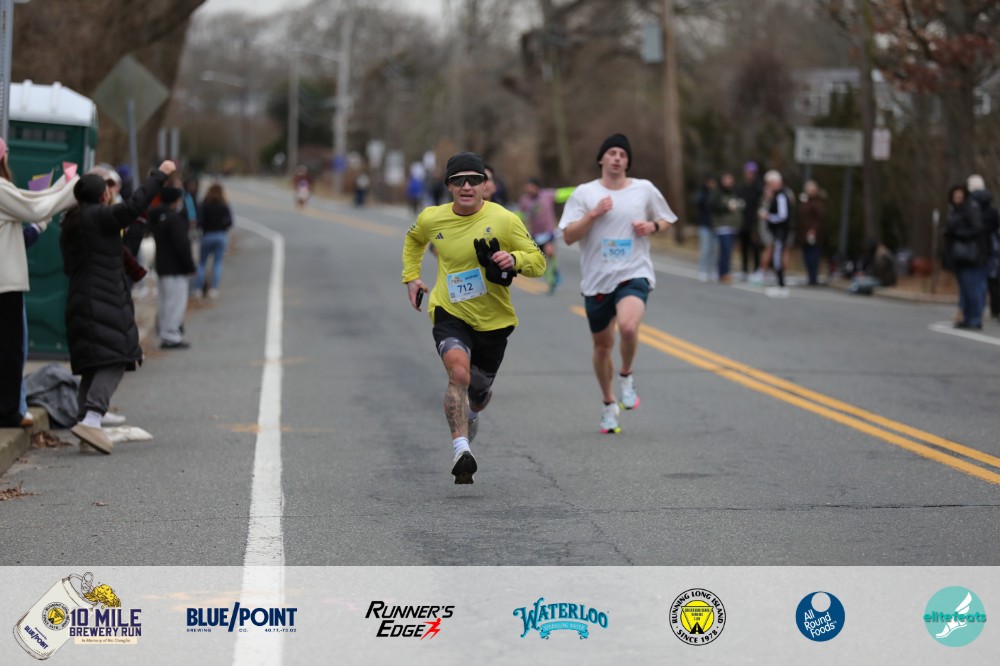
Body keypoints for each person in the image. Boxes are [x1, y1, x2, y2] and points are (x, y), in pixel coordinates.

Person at [402, 151, 545, 483]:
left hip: (494, 320)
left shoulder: (505, 219)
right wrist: (411, 278)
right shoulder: (431, 218)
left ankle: (474, 413)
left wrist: (514, 259)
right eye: (458, 181)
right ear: (449, 186)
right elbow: (414, 239)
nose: (466, 186)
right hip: (449, 310)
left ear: (484, 185)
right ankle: (461, 449)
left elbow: (538, 262)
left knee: (478, 393)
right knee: (458, 373)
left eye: (474, 180)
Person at [558, 133, 677, 434]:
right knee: (602, 348)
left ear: (627, 162)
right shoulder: (584, 193)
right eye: (612, 153)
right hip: (597, 281)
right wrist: (594, 214)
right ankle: (609, 403)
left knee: (628, 327)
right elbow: (568, 236)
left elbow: (667, 219)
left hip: (633, 272)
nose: (617, 158)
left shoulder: (643, 189)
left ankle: (626, 376)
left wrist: (652, 226)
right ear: (601, 158)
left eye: (623, 155)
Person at [60, 160, 175, 453]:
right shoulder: (100, 216)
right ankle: (92, 418)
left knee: (94, 362)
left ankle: (86, 423)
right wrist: (159, 174)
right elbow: (134, 206)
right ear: (103, 195)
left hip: (80, 298)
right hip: (103, 299)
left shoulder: (73, 220)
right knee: (117, 356)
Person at [0, 137, 79, 428]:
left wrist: (59, 186)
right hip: (4, 283)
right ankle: (9, 411)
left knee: (10, 348)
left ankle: (11, 408)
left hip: (6, 281)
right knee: (11, 350)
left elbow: (30, 202)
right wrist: (72, 186)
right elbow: (34, 208)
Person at [151, 186, 195, 349]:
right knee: (175, 303)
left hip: (162, 266)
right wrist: (189, 265)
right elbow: (182, 245)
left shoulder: (156, 217)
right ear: (175, 200)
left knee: (165, 302)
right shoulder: (175, 219)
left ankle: (165, 332)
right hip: (176, 268)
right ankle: (172, 335)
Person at [943, 183, 987, 330]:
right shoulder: (954, 211)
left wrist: (959, 233)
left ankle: (975, 318)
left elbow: (977, 229)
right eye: (955, 196)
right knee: (965, 289)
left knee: (973, 288)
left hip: (970, 256)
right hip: (959, 256)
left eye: (960, 196)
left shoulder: (971, 209)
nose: (957, 199)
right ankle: (968, 317)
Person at [517, 177, 561, 293]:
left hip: (548, 231)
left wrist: (579, 190)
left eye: (531, 187)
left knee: (550, 251)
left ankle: (555, 271)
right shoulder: (524, 200)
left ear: (537, 187)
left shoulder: (547, 195)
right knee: (542, 259)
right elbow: (520, 215)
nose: (529, 190)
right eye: (528, 188)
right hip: (535, 234)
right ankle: (550, 281)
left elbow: (562, 194)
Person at [192, 182, 234, 299]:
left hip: (207, 235)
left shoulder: (205, 204)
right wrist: (223, 227)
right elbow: (230, 221)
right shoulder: (224, 205)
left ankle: (198, 289)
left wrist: (203, 228)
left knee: (202, 263)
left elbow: (199, 221)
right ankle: (214, 289)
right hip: (220, 235)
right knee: (217, 263)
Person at [967, 174, 1000, 320]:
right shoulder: (991, 207)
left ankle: (977, 310)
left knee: (978, 280)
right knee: (993, 280)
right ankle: (995, 309)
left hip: (978, 247)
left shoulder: (971, 206)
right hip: (993, 247)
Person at [758, 169, 791, 296]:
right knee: (777, 256)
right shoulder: (777, 195)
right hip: (778, 230)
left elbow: (783, 215)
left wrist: (768, 216)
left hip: (781, 231)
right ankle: (779, 283)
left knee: (778, 257)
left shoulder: (781, 195)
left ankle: (781, 285)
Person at [713, 173, 742, 284]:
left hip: (733, 226)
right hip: (722, 226)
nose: (728, 182)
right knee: (726, 249)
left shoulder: (735, 193)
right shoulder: (718, 193)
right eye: (726, 180)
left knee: (728, 251)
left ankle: (724, 272)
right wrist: (726, 207)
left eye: (730, 180)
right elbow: (713, 206)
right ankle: (723, 272)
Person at [798, 180, 828, 286]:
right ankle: (810, 276)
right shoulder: (805, 201)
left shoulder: (818, 202)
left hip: (814, 233)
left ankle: (813, 277)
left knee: (813, 255)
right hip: (803, 233)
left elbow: (819, 218)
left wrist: (813, 230)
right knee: (806, 255)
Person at [736, 161, 762, 279]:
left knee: (755, 247)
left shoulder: (758, 188)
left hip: (754, 222)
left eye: (751, 172)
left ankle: (757, 269)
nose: (749, 174)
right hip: (743, 222)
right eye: (747, 172)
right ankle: (744, 269)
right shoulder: (741, 187)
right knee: (744, 247)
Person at [693, 176, 718, 282]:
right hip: (704, 225)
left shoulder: (717, 195)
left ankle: (712, 270)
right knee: (705, 249)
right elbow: (697, 202)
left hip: (715, 226)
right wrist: (706, 191)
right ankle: (702, 270)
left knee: (714, 250)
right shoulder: (702, 194)